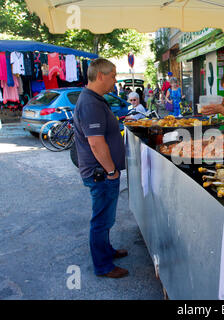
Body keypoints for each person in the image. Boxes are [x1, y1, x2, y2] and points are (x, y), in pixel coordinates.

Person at [73, 58, 129, 279]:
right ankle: (104, 266)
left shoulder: (95, 99)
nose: (115, 81)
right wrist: (111, 171)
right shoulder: (90, 103)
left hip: (102, 172)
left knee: (105, 217)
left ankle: (106, 251)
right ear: (100, 76)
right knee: (101, 219)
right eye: (113, 76)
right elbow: (96, 143)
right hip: (101, 173)